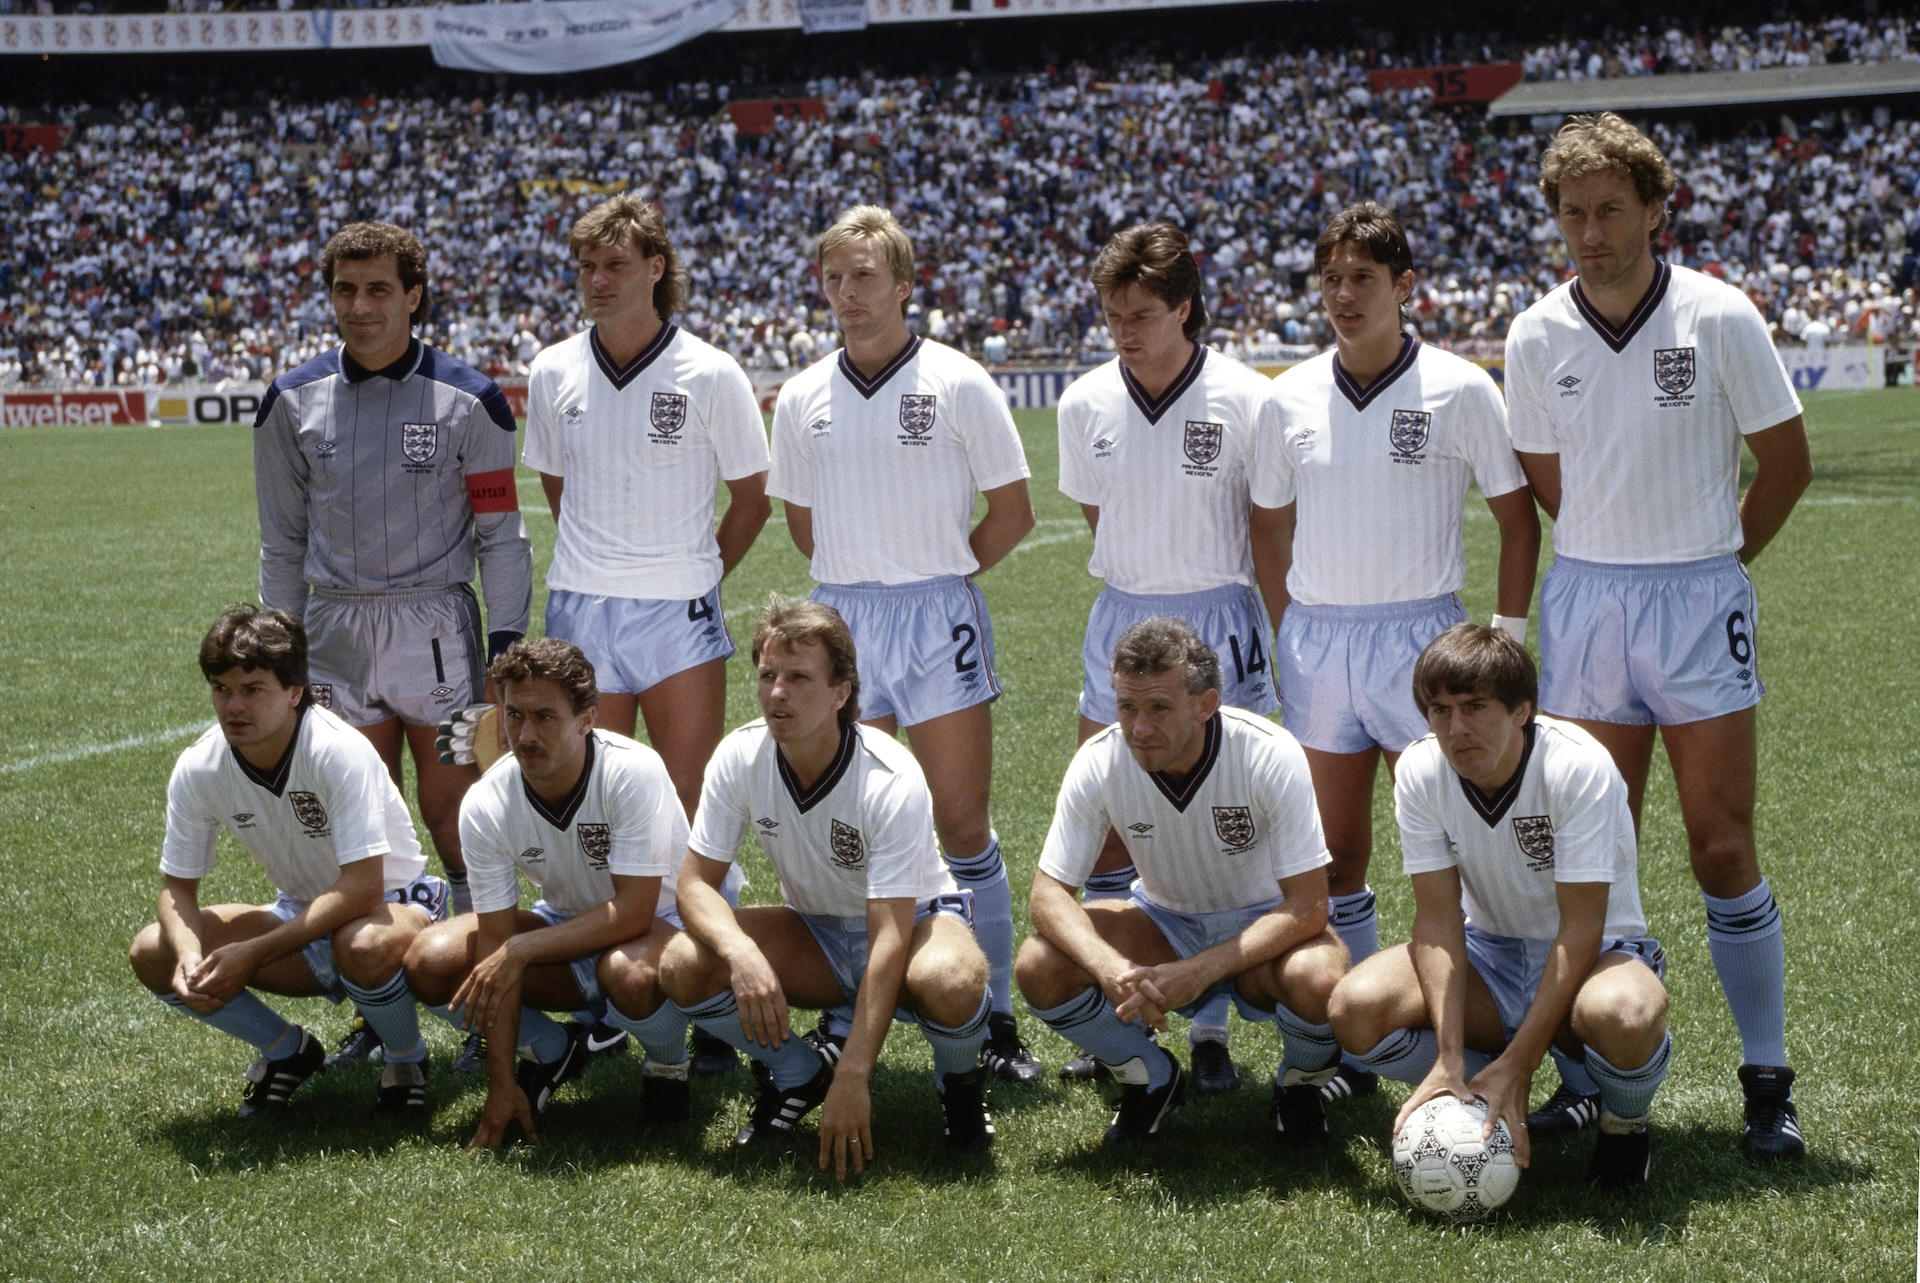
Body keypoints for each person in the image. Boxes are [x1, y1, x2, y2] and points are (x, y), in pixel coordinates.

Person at [1505, 113, 1813, 1159]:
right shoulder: (1536, 332)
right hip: (1589, 598)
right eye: (1573, 213)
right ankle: (1593, 1077)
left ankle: (1766, 1075)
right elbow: (1552, 486)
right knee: (1598, 847)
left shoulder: (1719, 315)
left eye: (1610, 210)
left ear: (1655, 208)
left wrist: (1718, 564)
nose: (1590, 232)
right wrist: (1615, 548)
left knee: (1721, 843)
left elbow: (1786, 464)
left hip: (1696, 596)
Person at [1262, 203, 1540, 1104]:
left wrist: (1507, 639)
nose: (1344, 296)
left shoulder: (1461, 388)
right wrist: (1284, 627)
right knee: (1332, 852)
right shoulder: (1288, 395)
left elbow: (1514, 517)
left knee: (1451, 843)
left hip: (1423, 640)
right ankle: (1345, 1043)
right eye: (1331, 279)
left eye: (1363, 280)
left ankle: (1468, 1027)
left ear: (1404, 287)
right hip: (1319, 638)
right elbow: (1269, 521)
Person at [766, 205, 1040, 1083]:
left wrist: (945, 576)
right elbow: (803, 527)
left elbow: (1013, 512)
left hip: (936, 613)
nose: (849, 294)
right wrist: (862, 584)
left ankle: (994, 1020)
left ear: (905, 284)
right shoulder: (804, 395)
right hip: (844, 618)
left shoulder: (958, 381)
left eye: (866, 277)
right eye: (836, 277)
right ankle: (857, 1003)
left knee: (960, 826)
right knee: (863, 828)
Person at [254, 221, 533, 1067]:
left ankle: (483, 1001)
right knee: (361, 826)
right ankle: (382, 1017)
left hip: (437, 635)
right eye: (345, 289)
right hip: (335, 638)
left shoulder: (470, 399)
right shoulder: (290, 401)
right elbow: (280, 543)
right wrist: (280, 655)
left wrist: (509, 646)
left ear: (414, 295)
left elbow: (502, 536)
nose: (361, 306)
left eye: (379, 289)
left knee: (458, 820)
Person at [1052, 223, 1291, 1094]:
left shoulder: (1245, 398)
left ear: (1185, 308)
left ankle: (1216, 1020)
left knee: (1229, 819)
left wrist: (1280, 627)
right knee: (1112, 812)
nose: (1125, 328)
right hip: (1122, 613)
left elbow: (1268, 526)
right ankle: (1120, 1005)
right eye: (1112, 312)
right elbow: (1097, 516)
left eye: (1143, 313)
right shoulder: (1083, 403)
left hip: (1219, 615)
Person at [1328, 624, 1672, 1195]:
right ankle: (1467, 1087)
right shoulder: (1419, 770)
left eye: (1475, 707)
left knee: (1626, 1015)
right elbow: (1437, 921)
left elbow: (1582, 927)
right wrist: (1448, 1054)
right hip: (1489, 953)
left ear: (1521, 711)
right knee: (1354, 1007)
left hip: (1595, 957)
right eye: (1439, 710)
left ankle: (1623, 1122)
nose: (1456, 728)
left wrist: (1523, 1063)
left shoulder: (1576, 767)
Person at [658, 599, 997, 1177]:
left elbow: (888, 935)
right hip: (814, 928)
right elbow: (693, 885)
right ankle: (797, 1073)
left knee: (953, 979)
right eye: (767, 676)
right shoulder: (741, 755)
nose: (777, 693)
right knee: (683, 963)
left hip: (911, 927)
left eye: (798, 678)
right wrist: (741, 953)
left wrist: (855, 1076)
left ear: (842, 692)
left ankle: (962, 1082)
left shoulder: (888, 774)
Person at [1014, 618, 1347, 1147]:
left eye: (1159, 708)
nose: (1139, 727)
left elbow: (1309, 906)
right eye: (1127, 707)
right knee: (1040, 964)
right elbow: (1047, 895)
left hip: (1266, 931)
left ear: (1205, 704)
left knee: (1321, 980)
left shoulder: (1268, 752)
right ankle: (1148, 1077)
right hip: (1164, 923)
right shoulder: (1101, 760)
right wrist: (1113, 969)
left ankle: (1299, 1087)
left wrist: (1200, 971)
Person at [401, 638, 734, 1148]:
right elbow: (496, 941)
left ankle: (668, 1066)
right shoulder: (487, 802)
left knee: (630, 970)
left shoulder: (631, 771)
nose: (524, 734)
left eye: (544, 717)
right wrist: (501, 1082)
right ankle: (552, 1048)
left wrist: (521, 948)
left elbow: (634, 912)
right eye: (513, 715)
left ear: (587, 719)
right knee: (431, 960)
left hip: (665, 929)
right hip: (566, 925)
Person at [128, 605, 446, 1117]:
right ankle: (286, 1052)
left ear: (295, 692)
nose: (234, 705)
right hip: (300, 915)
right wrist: (189, 956)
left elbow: (365, 886)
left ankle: (406, 1058)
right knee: (152, 951)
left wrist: (252, 952)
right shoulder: (199, 765)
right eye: (221, 688)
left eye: (253, 689)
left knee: (362, 944)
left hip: (394, 910)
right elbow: (176, 888)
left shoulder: (337, 750)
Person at [523, 195, 771, 825]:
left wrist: (702, 570)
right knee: (593, 801)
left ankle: (691, 920)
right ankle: (606, 922)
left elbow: (753, 497)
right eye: (585, 268)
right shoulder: (553, 370)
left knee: (688, 803)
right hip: (581, 601)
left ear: (656, 268)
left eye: (614, 265)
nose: (597, 281)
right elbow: (558, 485)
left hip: (677, 611)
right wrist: (599, 550)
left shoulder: (711, 372)